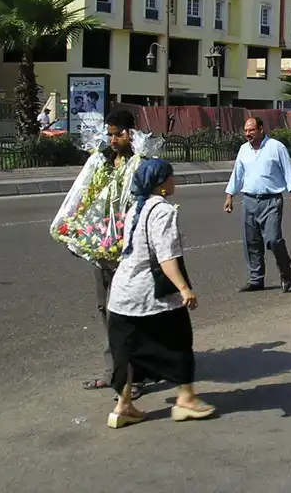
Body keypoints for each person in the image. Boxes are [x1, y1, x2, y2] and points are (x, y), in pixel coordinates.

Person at [50, 109, 157, 394]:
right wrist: (75, 233)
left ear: (131, 133)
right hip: (101, 246)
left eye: (118, 134)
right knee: (106, 309)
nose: (113, 140)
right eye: (109, 134)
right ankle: (112, 371)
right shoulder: (101, 162)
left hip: (129, 250)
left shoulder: (142, 163)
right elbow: (84, 198)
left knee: (130, 312)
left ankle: (135, 376)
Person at [106, 159, 214, 428]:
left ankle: (122, 407)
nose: (174, 180)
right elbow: (166, 257)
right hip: (150, 295)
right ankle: (186, 400)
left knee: (127, 352)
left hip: (121, 295)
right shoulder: (163, 211)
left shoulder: (136, 207)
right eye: (171, 176)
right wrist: (185, 289)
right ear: (161, 183)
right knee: (178, 342)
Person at [223, 117, 291, 293]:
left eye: (251, 130)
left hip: (271, 200)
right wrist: (229, 196)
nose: (247, 134)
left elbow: (288, 171)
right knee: (251, 241)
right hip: (249, 200)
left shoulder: (276, 147)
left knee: (273, 239)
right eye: (245, 131)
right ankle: (256, 279)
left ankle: (285, 271)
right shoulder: (244, 150)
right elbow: (237, 174)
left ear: (261, 129)